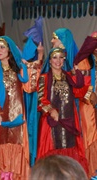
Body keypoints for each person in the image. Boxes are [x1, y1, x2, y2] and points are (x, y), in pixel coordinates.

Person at [0, 36, 44, 179]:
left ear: (9, 49)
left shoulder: (19, 68)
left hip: (17, 118)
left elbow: (30, 86)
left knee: (17, 147)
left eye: (2, 47)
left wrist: (39, 56)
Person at [37, 47, 90, 174]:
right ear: (49, 61)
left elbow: (79, 92)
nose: (58, 60)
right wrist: (50, 110)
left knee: (70, 152)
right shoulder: (44, 78)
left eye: (61, 57)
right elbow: (40, 100)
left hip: (69, 121)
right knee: (51, 155)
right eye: (55, 57)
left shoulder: (69, 77)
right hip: (51, 124)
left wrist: (79, 75)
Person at [74, 31, 97, 178]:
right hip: (89, 106)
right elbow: (80, 87)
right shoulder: (85, 61)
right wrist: (91, 97)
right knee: (91, 137)